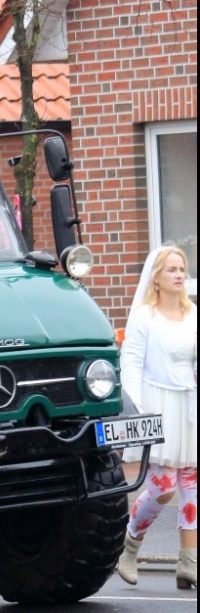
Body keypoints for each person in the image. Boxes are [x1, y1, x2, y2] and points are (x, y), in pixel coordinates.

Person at [116, 245, 197, 590]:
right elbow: (130, 364)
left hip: (189, 404)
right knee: (162, 488)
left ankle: (189, 564)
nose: (180, 275)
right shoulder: (144, 315)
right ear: (157, 278)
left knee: (191, 484)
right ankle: (129, 548)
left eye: (183, 269)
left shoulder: (193, 313)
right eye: (172, 270)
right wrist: (137, 410)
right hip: (156, 405)